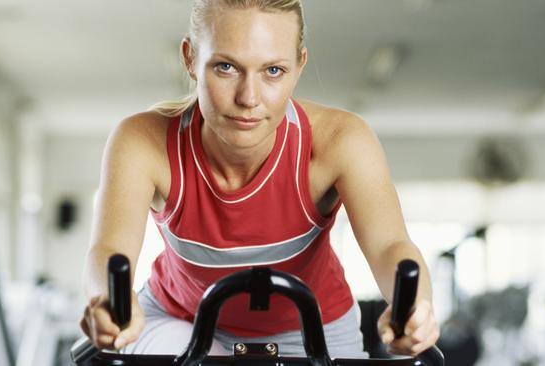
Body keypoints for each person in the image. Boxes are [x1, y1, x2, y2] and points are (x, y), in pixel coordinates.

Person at [80, 0, 439, 358]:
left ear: (299, 66)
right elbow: (109, 250)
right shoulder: (143, 141)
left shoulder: (341, 141)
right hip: (179, 320)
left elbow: (390, 245)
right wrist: (110, 303)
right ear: (190, 58)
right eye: (226, 67)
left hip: (313, 327)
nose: (248, 98)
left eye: (273, 71)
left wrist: (415, 307)